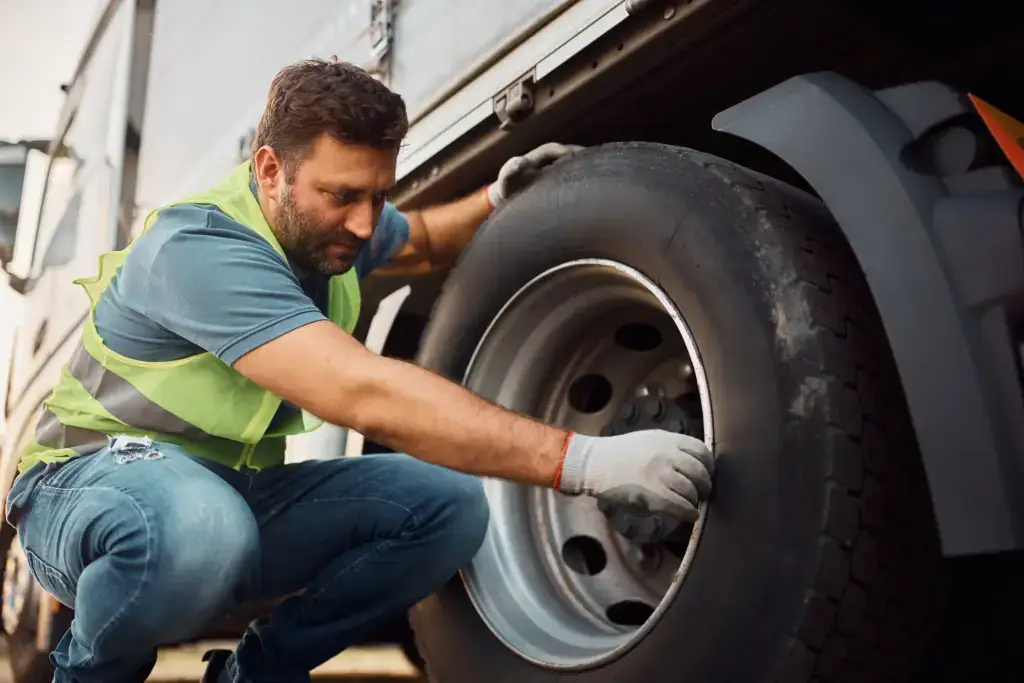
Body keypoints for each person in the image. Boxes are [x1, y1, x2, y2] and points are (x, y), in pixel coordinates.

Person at [4, 58, 715, 683]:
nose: (367, 223)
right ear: (269, 170)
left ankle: (258, 673)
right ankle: (89, 673)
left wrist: (497, 198)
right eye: (342, 196)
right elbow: (363, 393)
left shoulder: (329, 230)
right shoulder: (198, 248)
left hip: (222, 493)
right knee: (200, 527)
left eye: (377, 194)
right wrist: (582, 459)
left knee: (448, 506)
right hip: (85, 485)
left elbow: (425, 238)